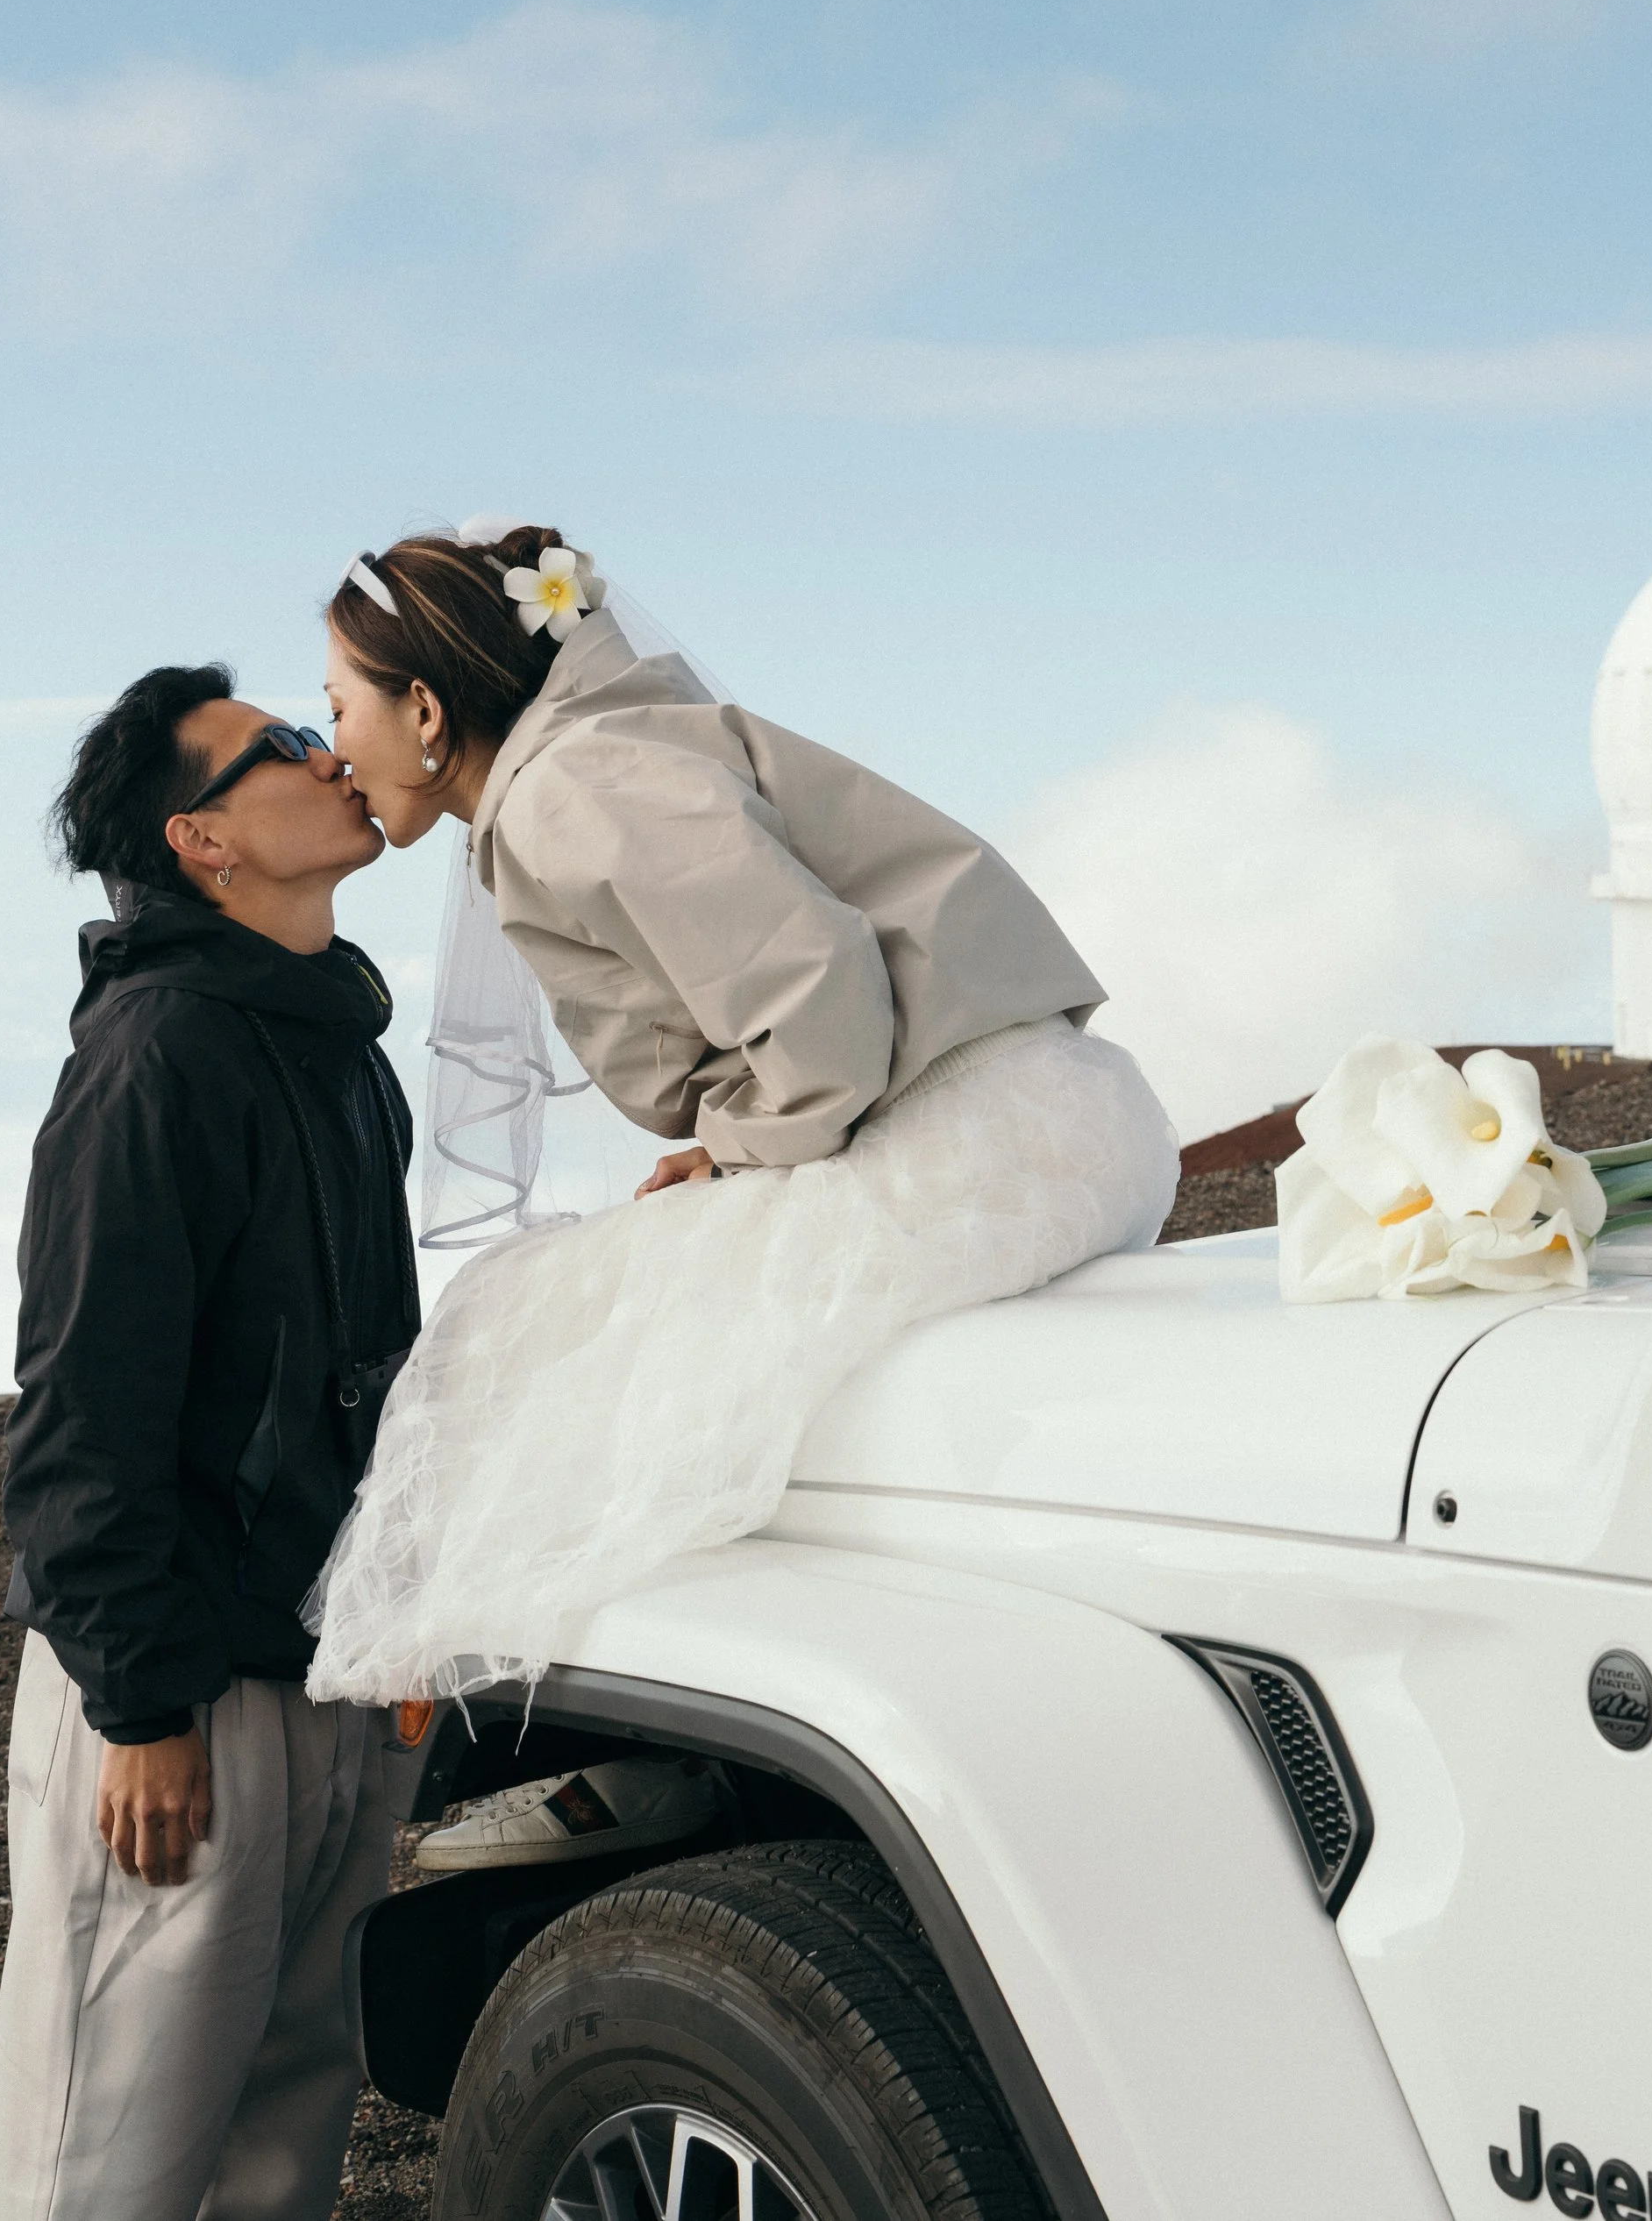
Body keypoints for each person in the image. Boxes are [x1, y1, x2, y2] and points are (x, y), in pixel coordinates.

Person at [305, 522, 1179, 1707]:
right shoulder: (585, 763)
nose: (329, 746)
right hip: (1013, 1106)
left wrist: (738, 1154)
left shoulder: (573, 786)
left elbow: (818, 994)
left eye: (337, 705)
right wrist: (730, 1150)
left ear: (422, 711)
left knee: (524, 1323)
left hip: (989, 1127)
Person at [0, 665, 422, 2221]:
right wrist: (141, 1701)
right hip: (180, 1700)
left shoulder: (330, 1040)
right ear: (204, 842)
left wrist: (397, 1623)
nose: (328, 751)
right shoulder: (159, 1055)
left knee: (281, 2131)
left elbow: (363, 1367)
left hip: (323, 1679)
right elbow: (83, 1404)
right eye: (279, 751)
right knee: (103, 2153)